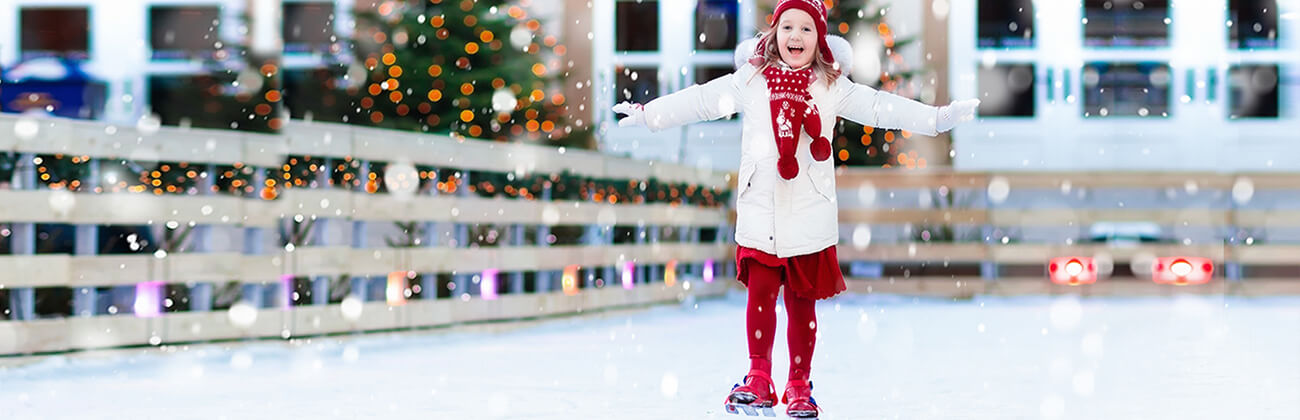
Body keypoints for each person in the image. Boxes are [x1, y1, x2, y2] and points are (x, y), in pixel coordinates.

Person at [613, 0, 979, 416]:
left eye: (806, 29)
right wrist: (649, 115)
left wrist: (936, 119)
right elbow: (700, 100)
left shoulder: (830, 86)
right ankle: (759, 376)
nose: (796, 37)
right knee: (761, 298)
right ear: (774, 33)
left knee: (802, 304)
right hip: (760, 210)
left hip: (809, 210)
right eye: (788, 27)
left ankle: (799, 384)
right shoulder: (749, 81)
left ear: (820, 38)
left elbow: (880, 107)